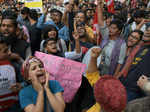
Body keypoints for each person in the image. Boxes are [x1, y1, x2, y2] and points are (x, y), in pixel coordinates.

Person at [119, 26, 150, 102]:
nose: (148, 32)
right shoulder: (138, 47)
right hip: (122, 84)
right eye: (147, 29)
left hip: (133, 91)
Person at [0, 36, 23, 112]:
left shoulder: (14, 66)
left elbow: (25, 81)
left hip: (14, 107)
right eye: (5, 51)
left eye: (8, 50)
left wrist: (21, 86)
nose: (9, 53)